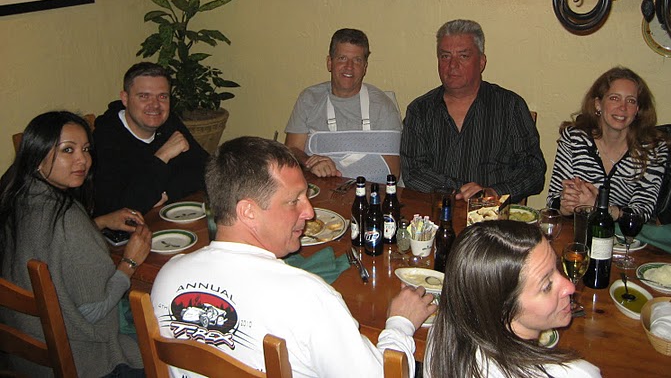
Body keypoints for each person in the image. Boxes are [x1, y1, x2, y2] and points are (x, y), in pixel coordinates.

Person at [151, 136, 435, 377]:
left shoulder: (168, 276)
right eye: (293, 201)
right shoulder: (308, 298)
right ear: (248, 212)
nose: (309, 212)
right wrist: (401, 323)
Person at [0, 111, 152, 378]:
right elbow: (95, 311)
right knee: (166, 334)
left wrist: (99, 222)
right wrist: (130, 262)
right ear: (37, 155)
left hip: (27, 357)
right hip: (85, 362)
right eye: (67, 150)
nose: (83, 160)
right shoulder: (66, 218)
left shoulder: (16, 197)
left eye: (85, 149)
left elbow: (48, 242)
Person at [425, 221, 601, 378]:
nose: (570, 287)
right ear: (503, 308)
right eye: (547, 286)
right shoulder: (577, 374)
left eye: (557, 267)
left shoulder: (441, 340)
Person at [401, 19, 545, 202]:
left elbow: (533, 171)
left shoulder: (510, 106)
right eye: (445, 56)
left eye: (463, 56)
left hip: (494, 213)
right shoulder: (420, 110)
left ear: (481, 62)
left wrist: (493, 193)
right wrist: (461, 192)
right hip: (438, 211)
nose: (452, 65)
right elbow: (413, 172)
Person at [547, 67, 668, 222]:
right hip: (579, 227)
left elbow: (642, 213)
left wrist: (599, 207)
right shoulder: (574, 138)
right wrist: (565, 206)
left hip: (623, 234)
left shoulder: (653, 149)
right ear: (598, 104)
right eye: (614, 98)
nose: (623, 107)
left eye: (631, 101)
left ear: (637, 110)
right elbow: (553, 199)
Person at [285, 28, 402, 182]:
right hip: (318, 188)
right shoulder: (309, 99)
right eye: (342, 58)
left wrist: (338, 172)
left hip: (364, 191)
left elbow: (391, 173)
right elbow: (292, 150)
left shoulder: (383, 107)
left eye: (357, 60)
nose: (349, 67)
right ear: (329, 63)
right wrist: (311, 162)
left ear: (365, 67)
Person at [93, 62, 208, 215]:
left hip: (162, 219)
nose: (155, 105)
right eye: (144, 96)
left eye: (162, 97)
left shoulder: (168, 122)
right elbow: (120, 208)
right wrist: (162, 156)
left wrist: (163, 193)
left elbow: (207, 171)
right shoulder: (105, 138)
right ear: (125, 98)